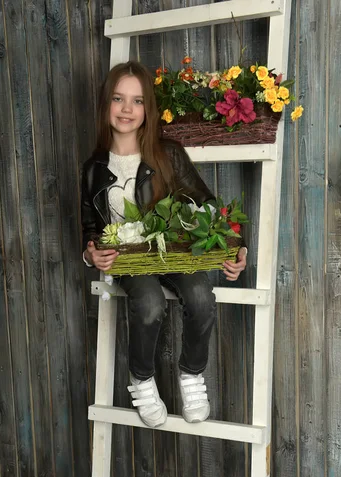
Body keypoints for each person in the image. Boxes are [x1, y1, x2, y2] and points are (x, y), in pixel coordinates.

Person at [81, 61, 247, 428]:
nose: (127, 109)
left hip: (172, 254)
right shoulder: (93, 168)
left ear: (148, 109)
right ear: (105, 104)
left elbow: (208, 207)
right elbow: (90, 227)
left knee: (202, 295)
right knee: (151, 302)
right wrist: (92, 252)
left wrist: (238, 249)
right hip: (128, 261)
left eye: (137, 101)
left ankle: (191, 374)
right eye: (118, 99)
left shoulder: (168, 153)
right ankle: (141, 379)